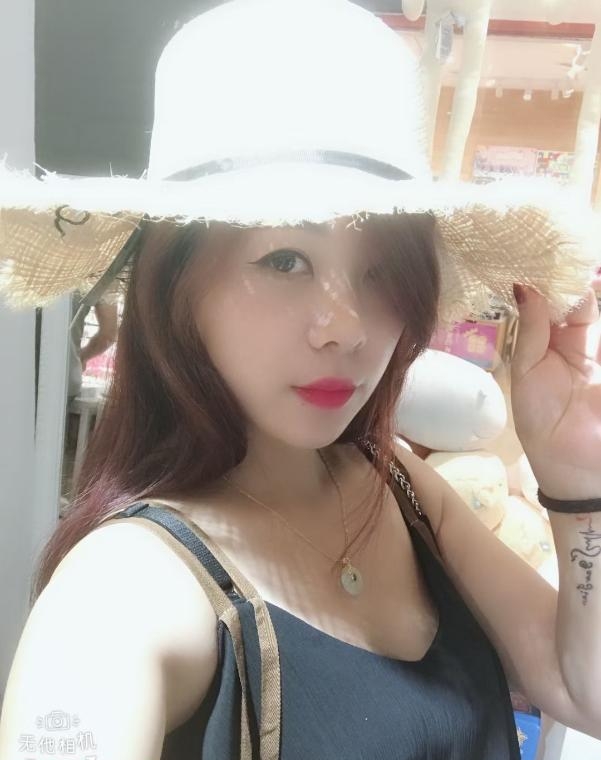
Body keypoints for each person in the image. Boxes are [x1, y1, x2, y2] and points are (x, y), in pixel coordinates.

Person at [0, 1, 600, 758]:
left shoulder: (396, 485)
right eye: (285, 260)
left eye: (383, 270)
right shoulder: (124, 588)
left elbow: (584, 689)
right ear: (175, 285)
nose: (345, 327)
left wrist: (578, 479)